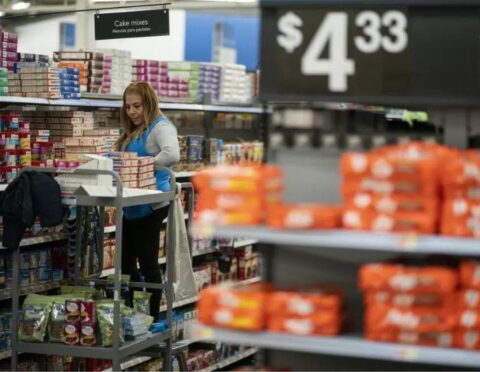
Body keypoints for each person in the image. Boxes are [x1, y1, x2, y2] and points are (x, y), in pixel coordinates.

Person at [115, 82, 180, 319]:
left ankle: (151, 316)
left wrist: (141, 166)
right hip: (132, 203)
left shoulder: (160, 127)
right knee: (125, 262)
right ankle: (133, 312)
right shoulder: (134, 130)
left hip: (151, 204)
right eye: (128, 106)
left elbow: (172, 154)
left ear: (149, 104)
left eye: (137, 106)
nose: (132, 111)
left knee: (148, 262)